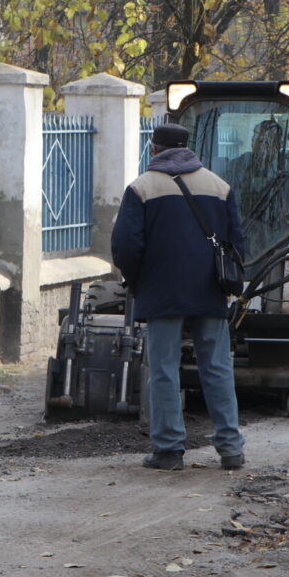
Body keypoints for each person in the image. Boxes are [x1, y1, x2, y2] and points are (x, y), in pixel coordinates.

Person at [111, 123, 247, 472]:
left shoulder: (141, 188)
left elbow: (126, 245)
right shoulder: (219, 186)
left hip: (161, 291)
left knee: (164, 370)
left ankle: (169, 450)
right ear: (189, 149)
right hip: (209, 290)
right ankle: (231, 449)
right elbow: (237, 243)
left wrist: (137, 280)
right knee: (217, 367)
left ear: (154, 149)